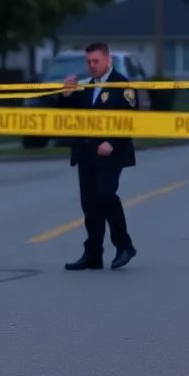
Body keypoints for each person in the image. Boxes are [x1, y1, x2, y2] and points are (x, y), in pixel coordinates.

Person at [58, 41, 138, 270]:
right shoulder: (86, 87)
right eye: (89, 61)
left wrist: (112, 141)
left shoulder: (122, 85)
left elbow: (132, 119)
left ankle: (124, 246)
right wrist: (66, 95)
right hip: (86, 154)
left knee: (105, 195)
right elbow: (67, 115)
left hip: (111, 154)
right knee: (90, 205)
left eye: (96, 61)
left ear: (108, 60)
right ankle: (93, 254)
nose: (92, 65)